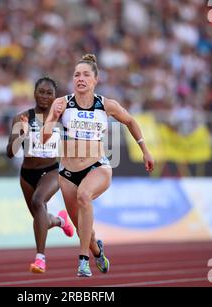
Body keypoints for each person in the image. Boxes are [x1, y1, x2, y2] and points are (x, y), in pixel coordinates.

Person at [41, 54, 155, 277]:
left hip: (98, 167)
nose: (80, 78)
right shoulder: (62, 104)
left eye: (85, 75)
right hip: (67, 174)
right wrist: (53, 117)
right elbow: (45, 137)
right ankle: (95, 250)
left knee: (85, 195)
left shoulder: (107, 105)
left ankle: (82, 261)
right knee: (84, 232)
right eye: (76, 75)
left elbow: (131, 121)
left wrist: (145, 150)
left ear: (95, 80)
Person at [6, 77, 74, 273]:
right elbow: (10, 153)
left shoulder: (62, 119)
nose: (44, 96)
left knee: (38, 201)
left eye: (49, 93)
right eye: (41, 92)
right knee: (40, 218)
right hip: (27, 174)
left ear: (55, 96)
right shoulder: (21, 118)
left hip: (52, 170)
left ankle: (40, 259)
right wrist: (22, 134)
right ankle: (60, 221)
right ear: (34, 93)